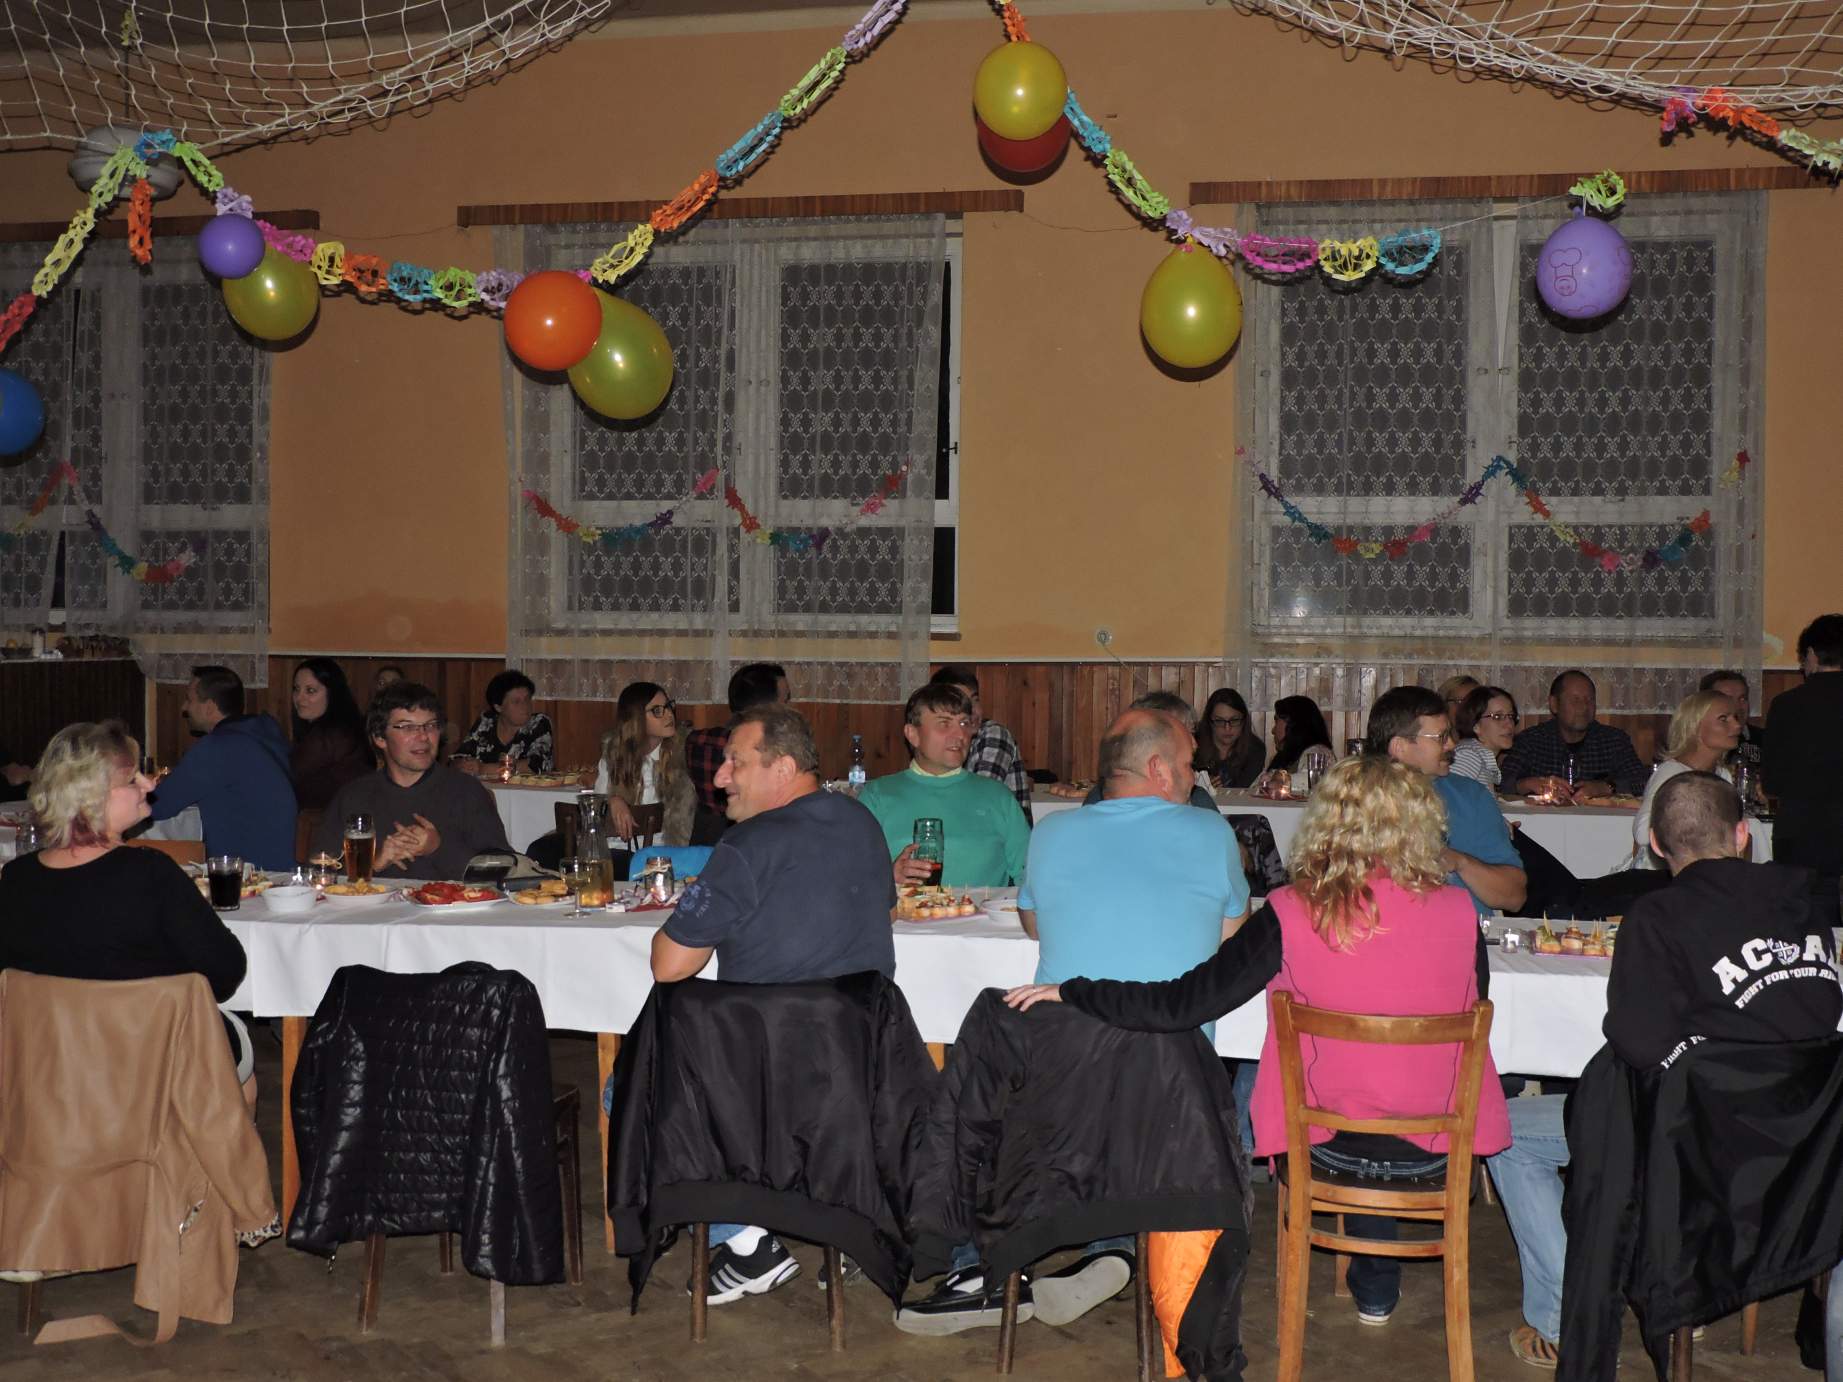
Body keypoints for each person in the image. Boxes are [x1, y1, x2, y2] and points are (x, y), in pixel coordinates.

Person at [1006, 754, 1511, 1328]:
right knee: (1387, 1095)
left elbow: (1181, 1004)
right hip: (1438, 1155)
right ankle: (1375, 1287)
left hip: (1326, 1150)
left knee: (1344, 1100)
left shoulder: (1293, 910)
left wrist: (1076, 990)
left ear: (1327, 821)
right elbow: (1470, 1004)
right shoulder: (1458, 912)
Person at [895, 707, 1255, 1336]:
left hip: (1061, 1084)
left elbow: (1035, 924)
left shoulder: (1054, 833)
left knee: (997, 1092)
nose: (1194, 775)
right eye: (1187, 763)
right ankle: (1117, 1248)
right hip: (1174, 1094)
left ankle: (988, 1265)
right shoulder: (1209, 833)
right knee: (1163, 1076)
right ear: (1158, 768)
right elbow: (1231, 936)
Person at [1486, 772, 1842, 1369]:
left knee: (1511, 1131)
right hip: (1808, 1156)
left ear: (1655, 844)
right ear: (1743, 834)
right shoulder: (1807, 908)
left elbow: (1637, 1043)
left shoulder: (1658, 917)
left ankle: (1562, 1312)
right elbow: (1823, 1016)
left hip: (1700, 1159)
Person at [650, 705, 896, 1303]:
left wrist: (701, 908)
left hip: (768, 1077)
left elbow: (670, 965)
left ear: (783, 769)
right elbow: (884, 912)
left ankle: (747, 1243)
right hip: (860, 1062)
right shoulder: (862, 821)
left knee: (635, 1086)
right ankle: (848, 1216)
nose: (720, 779)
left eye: (736, 763)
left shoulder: (749, 843)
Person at [0, 721, 252, 1095]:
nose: (149, 784)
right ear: (92, 795)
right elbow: (226, 970)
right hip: (146, 1058)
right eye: (133, 779)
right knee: (241, 1069)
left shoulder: (16, 878)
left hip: (43, 1063)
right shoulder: (150, 873)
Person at [310, 682, 509, 880]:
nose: (423, 736)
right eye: (408, 727)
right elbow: (320, 872)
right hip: (374, 901)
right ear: (380, 738)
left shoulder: (466, 791)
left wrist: (438, 848)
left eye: (430, 726)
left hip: (450, 900)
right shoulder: (354, 796)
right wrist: (373, 864)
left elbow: (504, 871)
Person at [1369, 685, 1526, 917]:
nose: (1452, 745)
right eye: (1441, 737)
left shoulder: (1470, 796)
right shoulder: (1358, 801)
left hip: (1465, 933)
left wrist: (1459, 862)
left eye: (1449, 735)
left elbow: (1514, 896)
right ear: (1400, 747)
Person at [858, 683, 1028, 889]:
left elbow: (1031, 876)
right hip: (903, 910)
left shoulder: (997, 796)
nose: (960, 735)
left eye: (964, 723)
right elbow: (851, 876)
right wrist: (888, 877)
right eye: (944, 723)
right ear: (913, 734)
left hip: (978, 910)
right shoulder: (877, 796)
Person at [146, 665, 297, 872]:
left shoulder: (218, 747)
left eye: (189, 699)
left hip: (246, 875)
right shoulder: (262, 734)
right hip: (280, 867)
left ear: (209, 707)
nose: (184, 707)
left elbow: (158, 806)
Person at [1763, 614, 1843, 889]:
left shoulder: (1786, 704)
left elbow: (1772, 782)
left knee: (1802, 907)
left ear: (1812, 654)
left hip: (1801, 833)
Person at [1630, 689, 1741, 869]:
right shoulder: (1671, 773)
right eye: (1724, 719)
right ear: (1695, 728)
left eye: (1735, 718)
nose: (1736, 726)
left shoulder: (1723, 775)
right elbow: (1643, 832)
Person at [1499, 670, 1648, 800]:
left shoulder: (1614, 741)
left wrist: (1606, 787)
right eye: (1575, 700)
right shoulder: (1531, 740)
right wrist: (1528, 784)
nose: (1584, 707)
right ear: (1554, 704)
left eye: (1589, 700)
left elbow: (1644, 782)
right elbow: (1500, 782)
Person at [684, 662, 788, 846]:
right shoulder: (769, 753)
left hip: (703, 842)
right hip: (751, 844)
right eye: (784, 701)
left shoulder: (697, 741)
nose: (788, 708)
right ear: (768, 707)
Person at [594, 681, 694, 846]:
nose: (669, 714)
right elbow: (597, 807)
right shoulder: (614, 754)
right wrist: (613, 800)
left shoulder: (682, 755)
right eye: (657, 711)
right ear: (636, 718)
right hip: (616, 849)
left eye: (669, 706)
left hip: (662, 853)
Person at [931, 665, 1032, 823]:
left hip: (1002, 834)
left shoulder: (994, 734)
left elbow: (979, 800)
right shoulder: (941, 739)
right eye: (962, 703)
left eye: (975, 700)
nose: (973, 710)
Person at [288, 657, 373, 811]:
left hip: (340, 820)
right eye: (296, 689)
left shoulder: (330, 736)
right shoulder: (341, 727)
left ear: (332, 693)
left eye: (310, 690)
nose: (299, 698)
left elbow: (288, 776)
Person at [455, 669, 554, 773]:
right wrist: (463, 765)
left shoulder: (539, 722)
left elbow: (538, 764)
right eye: (516, 702)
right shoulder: (486, 721)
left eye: (527, 699)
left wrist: (483, 768)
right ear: (498, 707)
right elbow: (459, 757)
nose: (525, 705)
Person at [1450, 685, 1519, 792]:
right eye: (1497, 717)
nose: (1509, 724)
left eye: (1510, 716)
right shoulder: (1468, 756)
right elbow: (1452, 797)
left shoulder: (1479, 754)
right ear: (1476, 725)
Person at [1195, 688, 1265, 790]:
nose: (1227, 728)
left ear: (1244, 721)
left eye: (1234, 720)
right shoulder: (1193, 745)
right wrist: (1199, 784)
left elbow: (1242, 790)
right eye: (1219, 721)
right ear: (1209, 722)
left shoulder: (1255, 749)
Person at [1699, 668, 1764, 755]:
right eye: (1728, 699)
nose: (1737, 706)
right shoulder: (1696, 742)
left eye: (1742, 699)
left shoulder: (1767, 739)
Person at [1267, 694, 1333, 775]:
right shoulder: (1284, 757)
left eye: (1276, 721)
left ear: (1292, 724)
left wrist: (1274, 778)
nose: (1273, 730)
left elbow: (1307, 781)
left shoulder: (1317, 754)